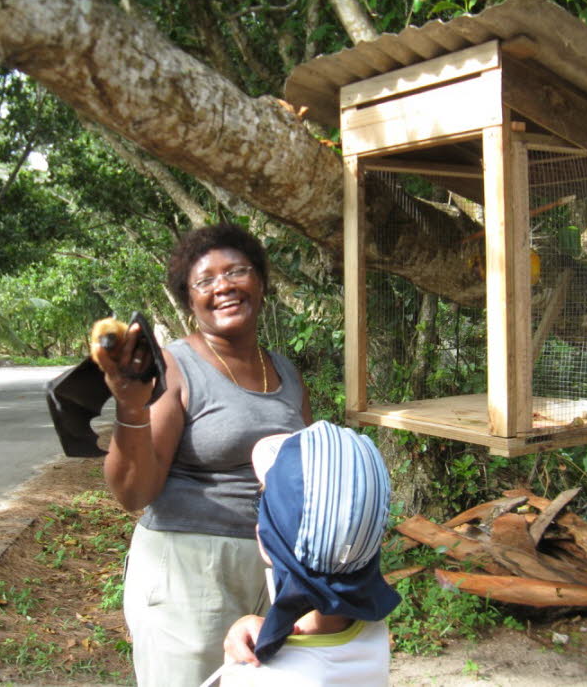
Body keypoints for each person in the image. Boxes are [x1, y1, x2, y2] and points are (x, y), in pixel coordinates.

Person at [91, 222, 312, 686]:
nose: (224, 286)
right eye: (205, 281)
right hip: (190, 570)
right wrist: (131, 404)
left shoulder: (285, 372)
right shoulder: (175, 365)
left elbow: (306, 471)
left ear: (261, 284)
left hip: (275, 570)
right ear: (189, 301)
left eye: (237, 272)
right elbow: (133, 492)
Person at [217, 420, 401, 686]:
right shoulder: (368, 632)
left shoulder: (259, 675)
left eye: (262, 503)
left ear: (263, 541)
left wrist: (236, 665)